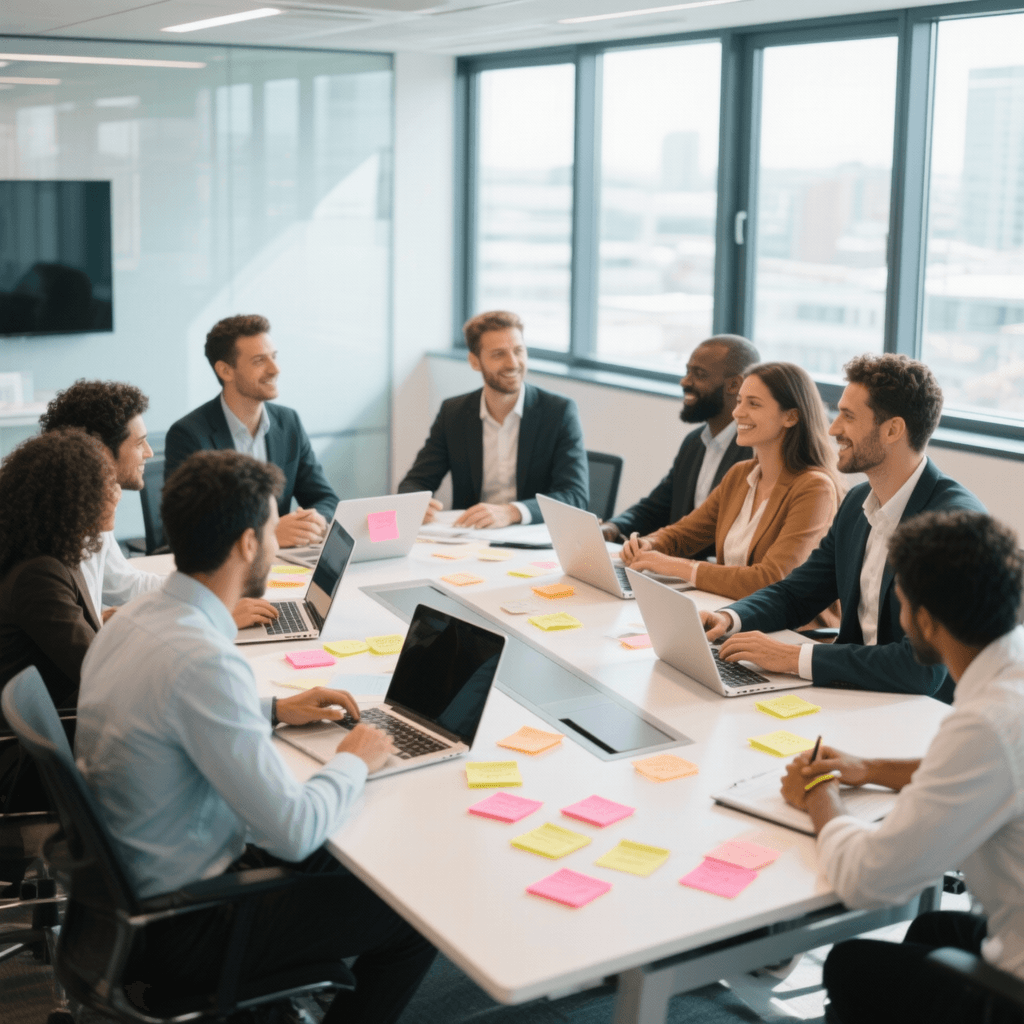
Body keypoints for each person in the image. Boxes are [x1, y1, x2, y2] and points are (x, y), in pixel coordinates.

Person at [75, 450, 435, 1024]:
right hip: (186, 923)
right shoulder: (203, 662)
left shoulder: (133, 621)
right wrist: (353, 760)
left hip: (125, 897)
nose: (274, 543)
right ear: (247, 544)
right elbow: (292, 832)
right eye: (270, 530)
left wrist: (272, 708)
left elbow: (168, 711)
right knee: (417, 912)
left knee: (362, 864)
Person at [779, 511, 1024, 1024]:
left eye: (903, 603)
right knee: (934, 932)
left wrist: (819, 790)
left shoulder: (986, 724)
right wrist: (867, 768)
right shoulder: (1011, 672)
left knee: (853, 963)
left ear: (928, 621)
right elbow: (985, 774)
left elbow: (867, 880)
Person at [700, 353, 984, 698]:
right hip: (853, 693)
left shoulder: (952, 525)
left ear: (893, 429)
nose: (833, 428)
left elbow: (920, 669)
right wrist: (730, 618)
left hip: (920, 714)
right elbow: (796, 594)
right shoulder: (857, 502)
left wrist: (793, 657)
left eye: (848, 416)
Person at [41, 378, 277, 631]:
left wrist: (213, 593)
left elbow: (124, 584)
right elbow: (80, 632)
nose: (149, 452)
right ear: (99, 450)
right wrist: (212, 614)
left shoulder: (86, 511)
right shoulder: (53, 533)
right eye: (139, 442)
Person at [620, 362, 841, 619]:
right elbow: (684, 534)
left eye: (754, 404)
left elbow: (771, 579)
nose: (738, 413)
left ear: (790, 417)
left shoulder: (814, 488)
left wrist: (673, 566)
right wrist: (648, 544)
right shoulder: (740, 475)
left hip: (789, 633)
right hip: (730, 617)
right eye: (739, 401)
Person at [397, 310, 588, 527]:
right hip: (471, 538)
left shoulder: (559, 412)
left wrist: (512, 512)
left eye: (518, 351)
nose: (513, 363)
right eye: (498, 354)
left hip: (531, 538)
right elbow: (415, 481)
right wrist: (415, 503)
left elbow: (575, 496)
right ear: (475, 362)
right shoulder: (454, 413)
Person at [165, 314, 339, 549]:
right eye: (259, 361)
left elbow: (325, 498)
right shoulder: (189, 434)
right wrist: (266, 534)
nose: (275, 369)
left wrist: (315, 520)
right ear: (226, 371)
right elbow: (186, 526)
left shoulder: (289, 422)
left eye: (274, 357)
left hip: (283, 563)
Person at [602, 335, 760, 561]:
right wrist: (613, 527)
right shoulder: (695, 443)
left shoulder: (755, 453)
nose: (685, 382)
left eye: (699, 374)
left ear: (734, 384)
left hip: (715, 578)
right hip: (676, 570)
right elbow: (656, 507)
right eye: (687, 371)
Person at [0, 429, 118, 709]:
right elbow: (101, 671)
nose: (117, 495)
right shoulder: (38, 575)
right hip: (65, 727)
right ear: (71, 499)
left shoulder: (51, 556)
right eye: (107, 485)